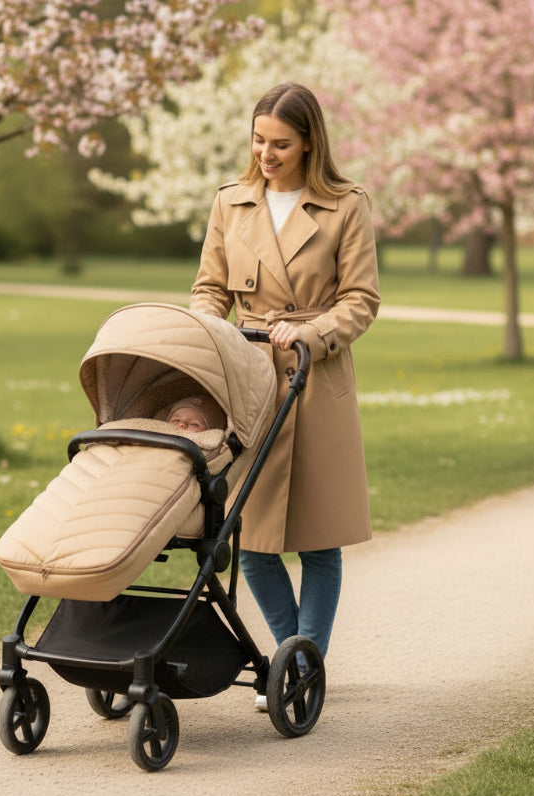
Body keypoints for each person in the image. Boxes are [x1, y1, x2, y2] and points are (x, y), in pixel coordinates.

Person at [190, 83, 380, 709]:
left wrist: (313, 331)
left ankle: (301, 668)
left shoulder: (346, 206)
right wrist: (205, 330)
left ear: (308, 144)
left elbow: (361, 300)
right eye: (258, 140)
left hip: (316, 382)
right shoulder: (231, 203)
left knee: (319, 540)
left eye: (281, 144)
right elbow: (210, 288)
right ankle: (294, 660)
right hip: (250, 380)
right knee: (251, 539)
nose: (266, 154)